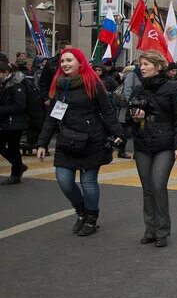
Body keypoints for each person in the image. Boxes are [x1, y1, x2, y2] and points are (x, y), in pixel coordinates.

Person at [35, 48, 123, 236]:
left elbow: (107, 111)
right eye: (63, 61)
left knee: (88, 182)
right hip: (67, 140)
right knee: (64, 181)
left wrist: (118, 134)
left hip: (92, 140)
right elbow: (53, 116)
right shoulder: (60, 84)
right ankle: (81, 211)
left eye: (69, 60)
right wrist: (42, 143)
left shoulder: (93, 82)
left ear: (80, 63)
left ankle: (91, 218)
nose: (65, 64)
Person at [128, 51, 177, 248]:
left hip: (165, 144)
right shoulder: (139, 89)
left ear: (158, 66)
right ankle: (150, 230)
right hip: (143, 143)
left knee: (157, 185)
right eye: (141, 64)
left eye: (146, 64)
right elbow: (129, 117)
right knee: (147, 189)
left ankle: (162, 230)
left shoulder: (173, 89)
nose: (142, 67)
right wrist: (135, 118)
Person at [0, 62, 29, 184]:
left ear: (6, 72)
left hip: (15, 122)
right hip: (6, 122)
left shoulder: (16, 84)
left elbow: (20, 105)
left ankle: (16, 174)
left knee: (13, 148)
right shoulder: (4, 83)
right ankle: (19, 166)